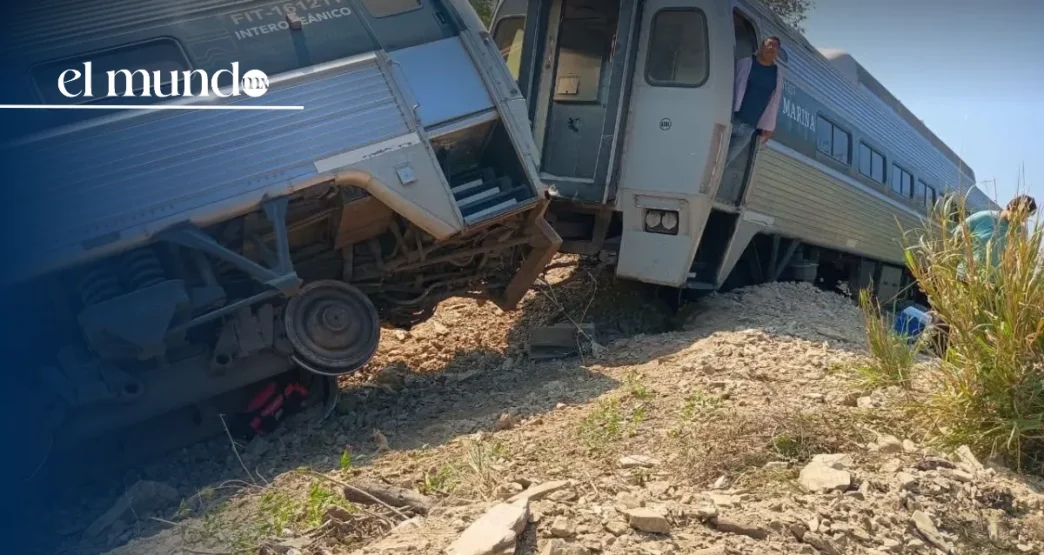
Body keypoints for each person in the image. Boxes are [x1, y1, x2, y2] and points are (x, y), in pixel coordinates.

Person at [724, 36, 785, 168]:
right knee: (714, 154)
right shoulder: (745, 63)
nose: (771, 48)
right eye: (769, 44)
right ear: (761, 46)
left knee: (725, 162)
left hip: (749, 127)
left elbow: (774, 102)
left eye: (775, 46)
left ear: (777, 52)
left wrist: (769, 127)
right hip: (731, 117)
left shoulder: (777, 75)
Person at [953, 194, 1037, 278]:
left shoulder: (1019, 232)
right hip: (965, 276)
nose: (1022, 221)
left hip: (992, 284)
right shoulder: (985, 216)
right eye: (1021, 216)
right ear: (1013, 207)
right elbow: (957, 234)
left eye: (1026, 218)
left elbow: (1018, 259)